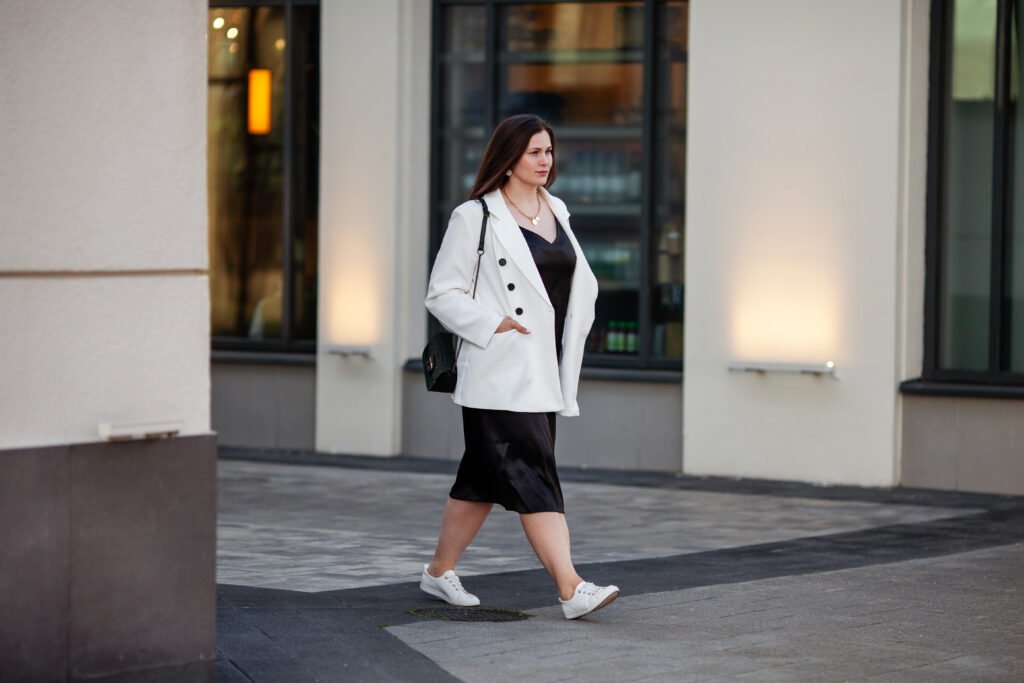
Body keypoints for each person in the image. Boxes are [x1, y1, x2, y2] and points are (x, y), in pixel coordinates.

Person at [421, 114, 618, 620]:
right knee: (534, 471)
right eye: (534, 152)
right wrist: (494, 324)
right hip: (499, 369)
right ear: (508, 158)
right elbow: (441, 293)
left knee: (481, 480)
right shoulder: (475, 217)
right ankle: (571, 588)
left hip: (544, 367)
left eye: (548, 151)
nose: (544, 160)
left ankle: (439, 571)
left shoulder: (557, 210)